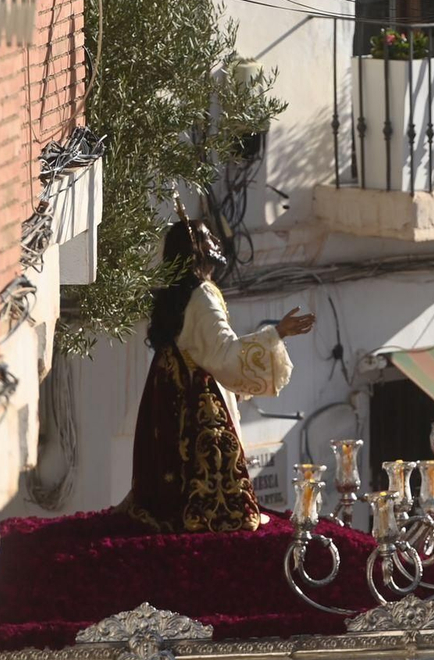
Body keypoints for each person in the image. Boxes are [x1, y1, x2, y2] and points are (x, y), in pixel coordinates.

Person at [122, 212, 315, 533]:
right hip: (196, 396)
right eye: (207, 237)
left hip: (169, 388)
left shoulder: (175, 295)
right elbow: (224, 354)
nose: (215, 241)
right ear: (197, 249)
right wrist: (276, 333)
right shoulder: (203, 294)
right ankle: (212, 512)